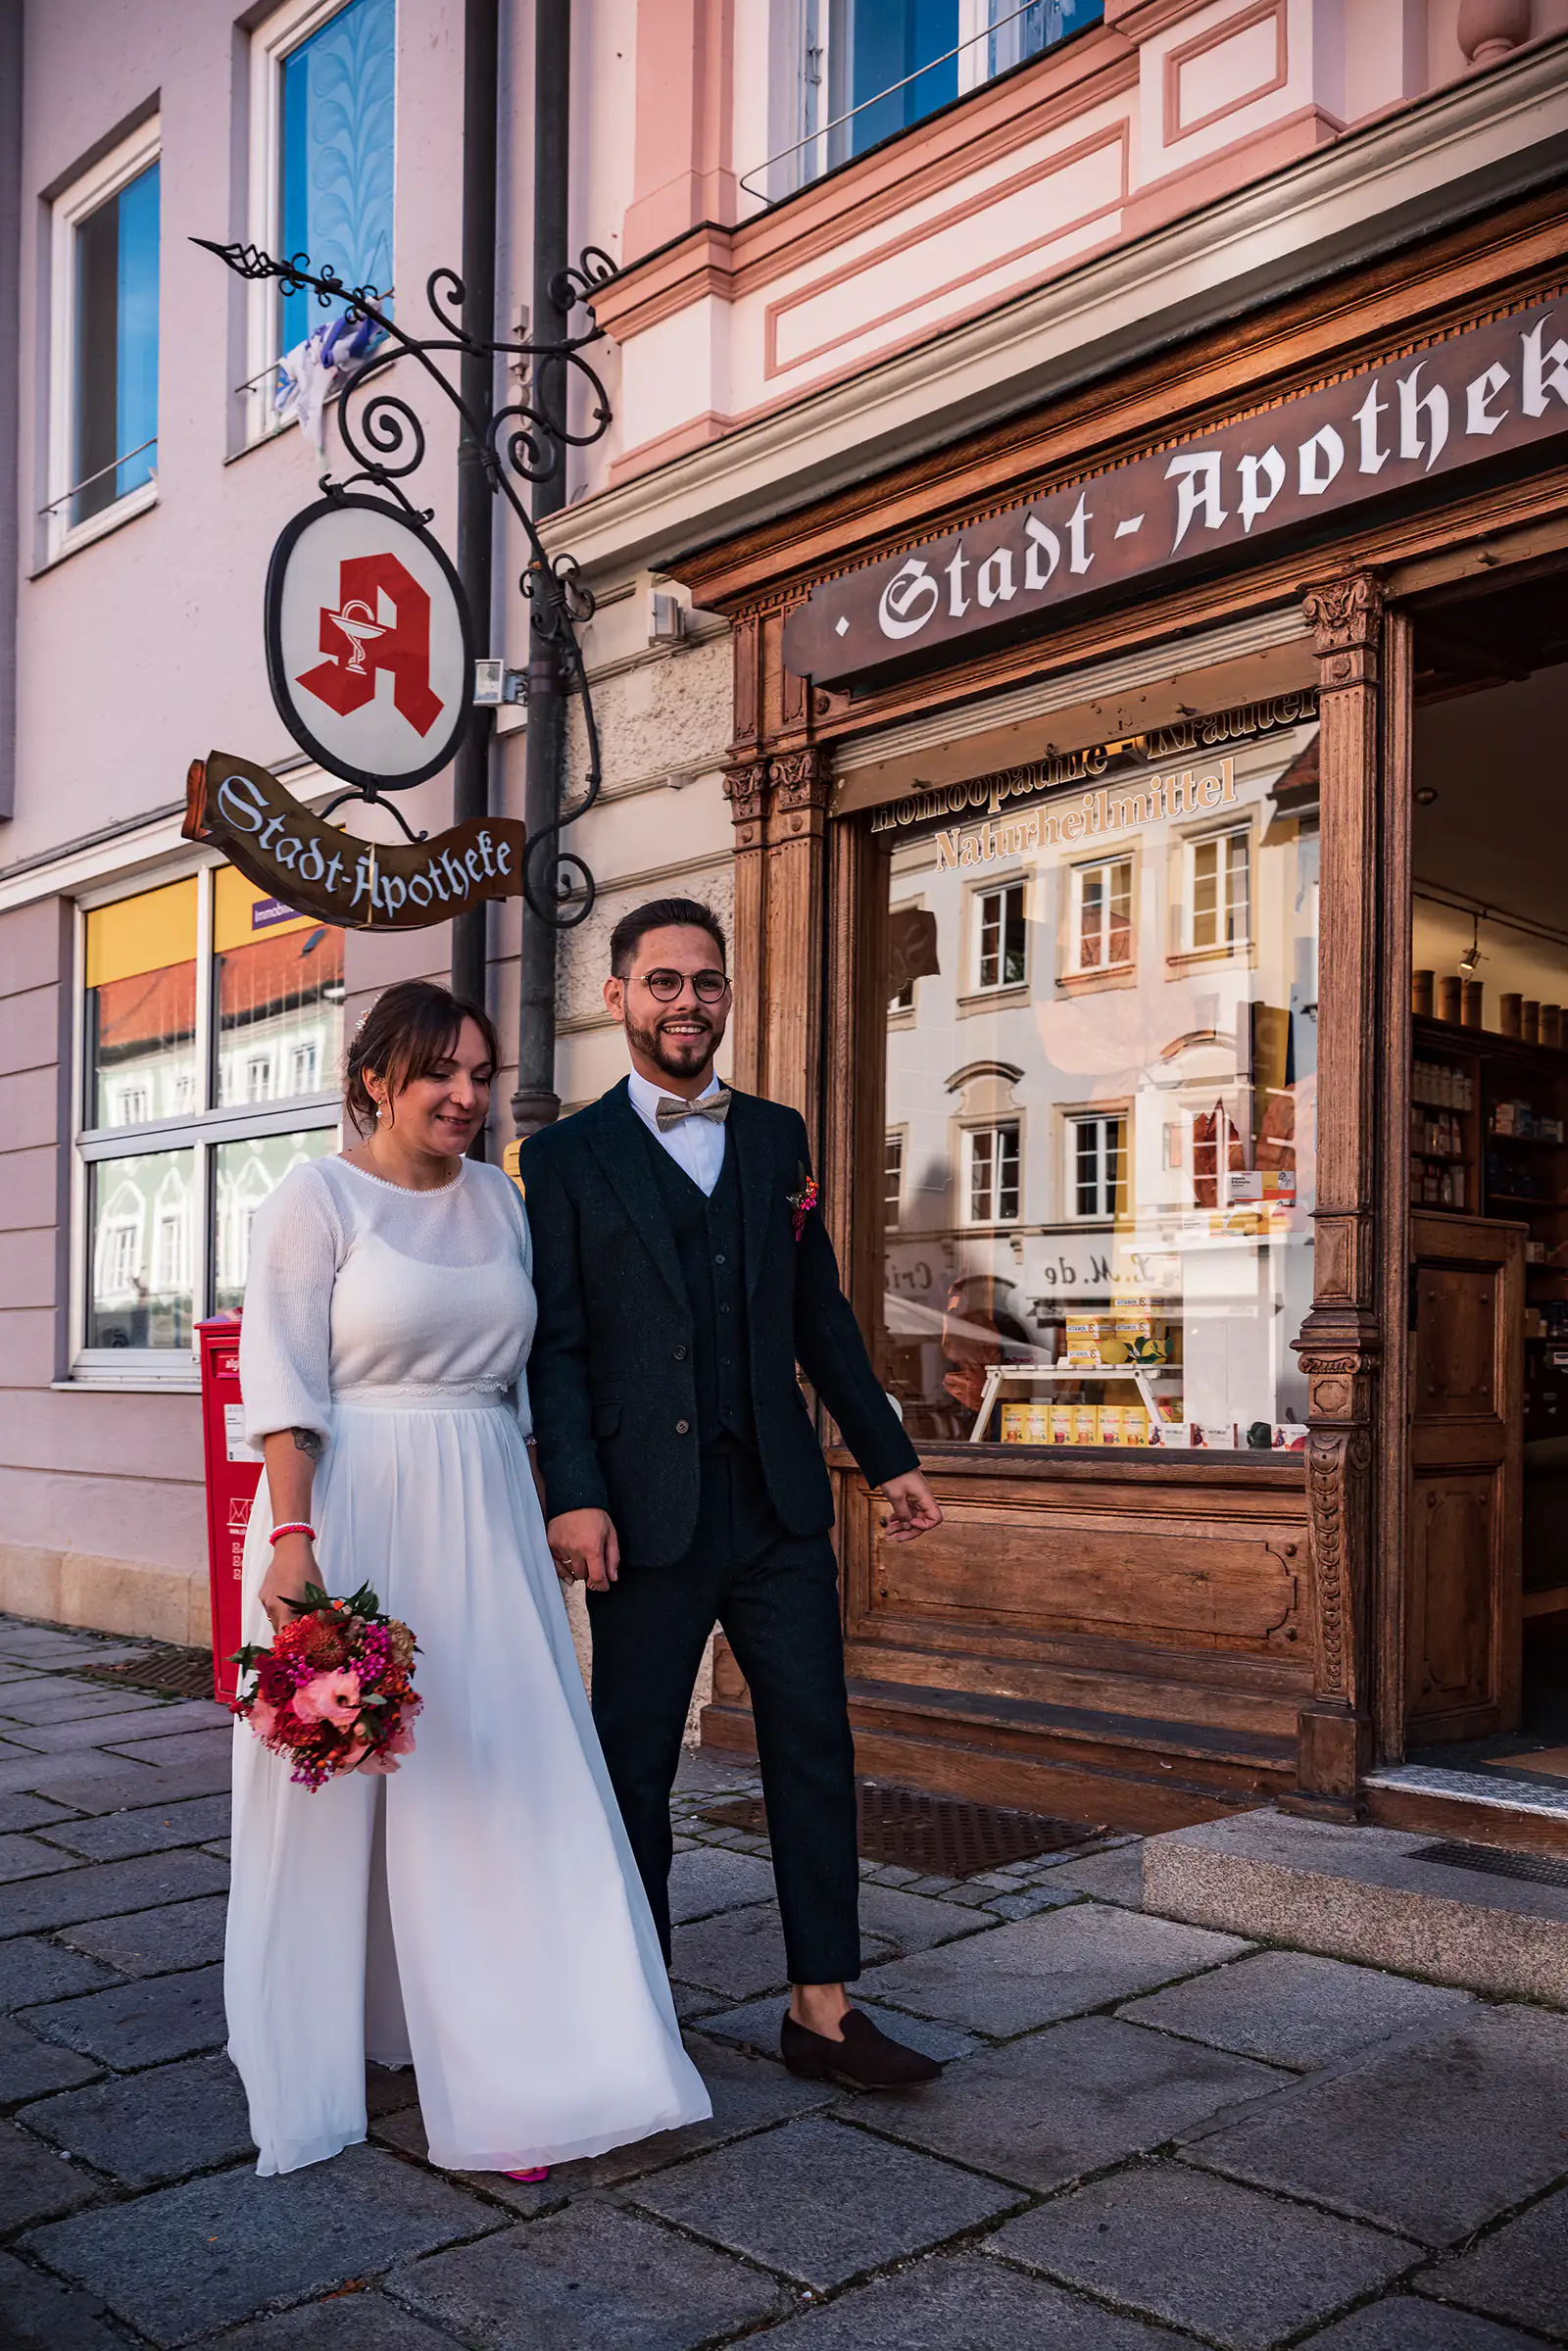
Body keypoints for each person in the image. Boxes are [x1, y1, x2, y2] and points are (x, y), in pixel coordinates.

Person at [225, 979, 710, 2178]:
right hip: (351, 1502)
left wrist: (554, 1502)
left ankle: (519, 2056)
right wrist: (294, 1540)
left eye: (481, 1073)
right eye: (440, 1070)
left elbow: (532, 1375)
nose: (465, 1094)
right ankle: (342, 2026)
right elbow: (282, 1381)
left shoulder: (502, 1196)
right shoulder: (314, 1196)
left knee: (498, 1768)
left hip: (484, 1502)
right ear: (375, 1077)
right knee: (354, 1779)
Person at [518, 899, 947, 2090]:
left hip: (775, 1499)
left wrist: (889, 1454)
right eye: (663, 981)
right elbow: (555, 1344)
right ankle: (633, 2008)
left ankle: (823, 2007)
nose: (687, 1002)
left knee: (813, 1742)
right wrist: (573, 1492)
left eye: (706, 981)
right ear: (617, 995)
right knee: (634, 1763)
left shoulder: (774, 1135)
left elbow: (821, 1315)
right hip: (639, 1511)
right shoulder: (561, 1158)